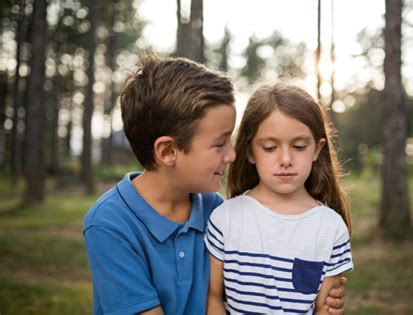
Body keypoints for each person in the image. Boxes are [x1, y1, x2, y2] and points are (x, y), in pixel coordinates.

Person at [83, 56, 347, 315]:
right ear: (168, 151)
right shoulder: (109, 224)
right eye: (220, 143)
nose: (232, 155)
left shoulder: (217, 211)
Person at [205, 83, 353, 315]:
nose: (285, 159)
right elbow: (213, 298)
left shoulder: (331, 228)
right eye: (270, 147)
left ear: (316, 148)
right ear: (251, 151)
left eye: (299, 146)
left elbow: (326, 308)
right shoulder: (225, 219)